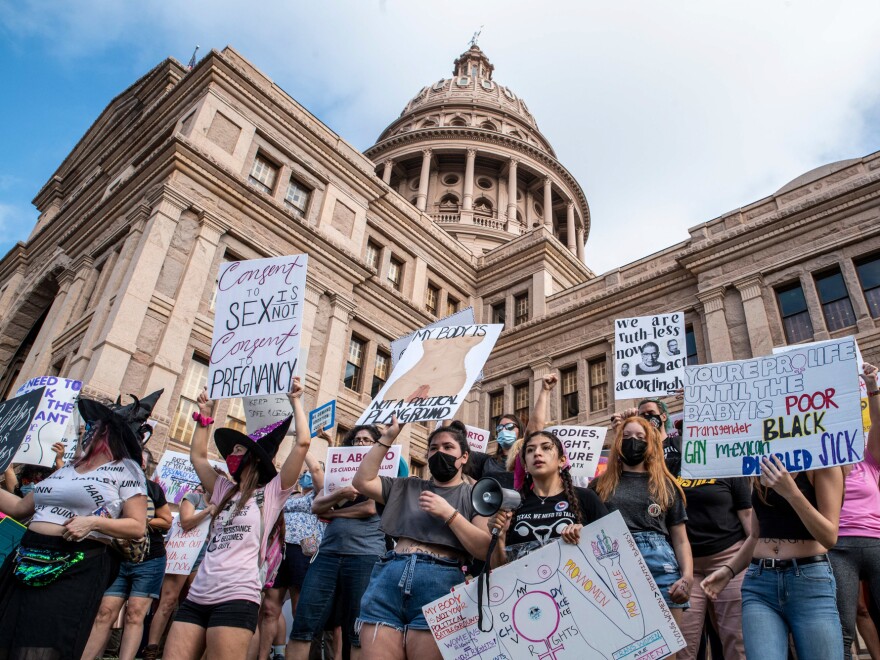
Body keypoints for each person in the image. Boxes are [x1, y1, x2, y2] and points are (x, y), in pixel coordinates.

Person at [163, 378, 311, 660]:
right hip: (197, 596)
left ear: (254, 459)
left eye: (238, 450)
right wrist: (205, 416)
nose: (231, 454)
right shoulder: (222, 489)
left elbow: (303, 443)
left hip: (237, 596)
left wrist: (296, 401)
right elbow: (198, 457)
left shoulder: (271, 494)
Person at [0, 396, 149, 659]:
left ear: (108, 432)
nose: (85, 430)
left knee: (43, 641)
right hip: (26, 555)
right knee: (7, 629)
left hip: (76, 563)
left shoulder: (126, 470)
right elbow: (20, 508)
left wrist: (93, 522)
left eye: (93, 425)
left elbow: (137, 526)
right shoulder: (67, 468)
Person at [353, 419, 491, 660]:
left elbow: (483, 548)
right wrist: (388, 437)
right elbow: (362, 481)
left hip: (440, 584)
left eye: (448, 448)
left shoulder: (474, 495)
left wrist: (449, 514)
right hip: (389, 577)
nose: (440, 453)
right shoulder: (406, 486)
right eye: (434, 448)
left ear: (464, 457)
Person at [702, 450, 846, 658]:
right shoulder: (764, 464)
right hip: (760, 583)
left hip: (809, 581)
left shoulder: (824, 462)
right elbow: (755, 536)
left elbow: (829, 537)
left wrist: (791, 492)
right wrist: (728, 571)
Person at [286, 425, 386, 660]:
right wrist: (340, 495)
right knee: (303, 625)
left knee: (357, 631)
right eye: (357, 440)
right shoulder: (338, 474)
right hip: (327, 555)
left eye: (367, 440)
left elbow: (371, 508)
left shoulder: (384, 472)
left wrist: (334, 513)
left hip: (365, 555)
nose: (360, 444)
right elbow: (316, 506)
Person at [590, 417, 692, 643]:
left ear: (650, 444)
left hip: (661, 567)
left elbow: (681, 538)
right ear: (617, 443)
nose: (632, 442)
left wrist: (687, 576)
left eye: (639, 437)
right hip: (614, 567)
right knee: (623, 645)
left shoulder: (666, 485)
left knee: (667, 646)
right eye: (626, 437)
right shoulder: (598, 486)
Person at [81, 452, 173, 660]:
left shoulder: (151, 488)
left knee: (134, 615)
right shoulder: (110, 485)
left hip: (150, 561)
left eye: (141, 460)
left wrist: (137, 521)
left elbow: (167, 521)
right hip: (118, 558)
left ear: (145, 465)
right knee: (104, 613)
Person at [490, 430, 608, 564]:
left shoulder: (586, 497)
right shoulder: (514, 506)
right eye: (530, 450)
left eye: (546, 448)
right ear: (525, 465)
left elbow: (612, 541)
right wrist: (499, 537)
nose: (537, 453)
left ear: (562, 460)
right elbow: (498, 570)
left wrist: (587, 535)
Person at [828, 362, 880, 660]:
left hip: (876, 543)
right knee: (844, 626)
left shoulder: (869, 458)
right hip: (837, 548)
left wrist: (872, 387)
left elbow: (878, 423)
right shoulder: (822, 467)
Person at [676, 472, 751, 660]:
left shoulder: (729, 465)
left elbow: (749, 518)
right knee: (681, 642)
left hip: (729, 559)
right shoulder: (673, 464)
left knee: (737, 640)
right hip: (686, 565)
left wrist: (750, 559)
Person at [258, 450, 325, 660]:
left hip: (304, 553)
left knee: (299, 610)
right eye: (302, 472)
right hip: (278, 551)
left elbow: (315, 470)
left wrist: (302, 448)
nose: (306, 474)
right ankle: (262, 656)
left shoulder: (321, 494)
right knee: (269, 608)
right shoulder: (288, 495)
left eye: (310, 472)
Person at [142, 483, 218, 660]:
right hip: (184, 552)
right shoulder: (194, 498)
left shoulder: (225, 505)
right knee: (167, 602)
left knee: (195, 604)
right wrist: (207, 511)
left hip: (204, 555)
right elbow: (186, 522)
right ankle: (151, 650)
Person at [464, 374, 558, 488]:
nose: (504, 431)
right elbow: (456, 451)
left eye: (509, 427)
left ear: (520, 430)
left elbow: (535, 429)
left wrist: (544, 391)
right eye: (499, 428)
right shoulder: (486, 461)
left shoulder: (525, 456)